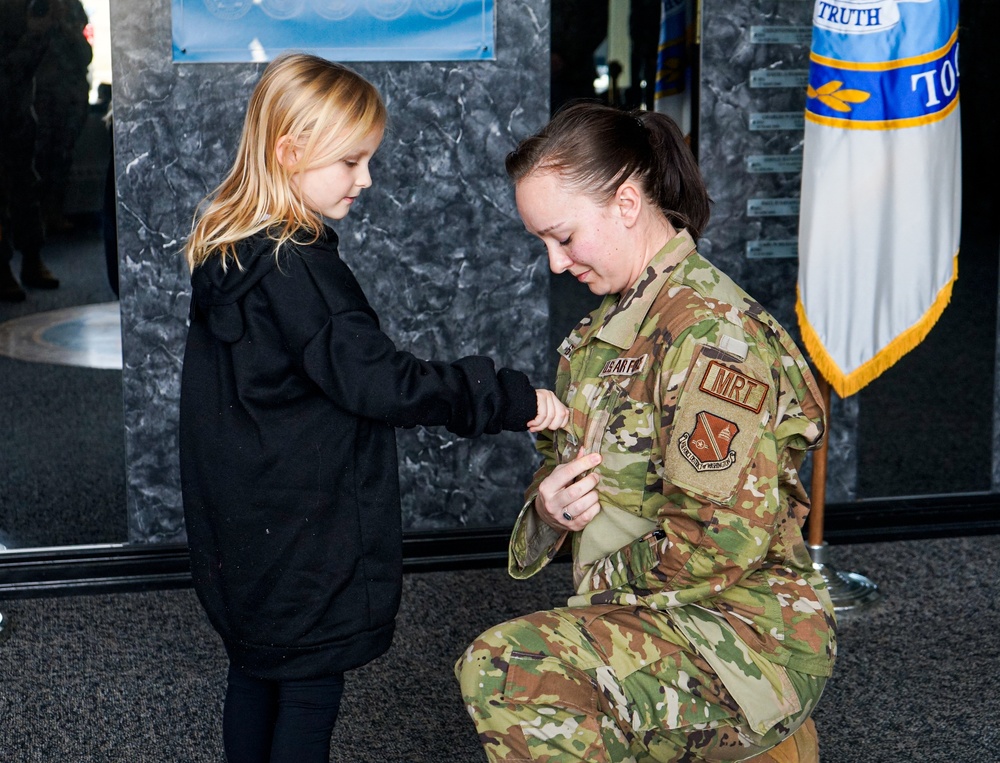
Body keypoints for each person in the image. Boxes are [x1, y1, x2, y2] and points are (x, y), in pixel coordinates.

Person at [178, 53, 568, 763]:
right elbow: (386, 382)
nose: (366, 179)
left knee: (258, 671)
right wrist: (510, 397)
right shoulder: (301, 272)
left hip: (243, 527)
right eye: (351, 161)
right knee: (308, 689)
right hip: (303, 533)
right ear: (289, 152)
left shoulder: (230, 252)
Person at [455, 102, 835, 763]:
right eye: (541, 241)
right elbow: (562, 477)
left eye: (563, 236)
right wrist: (548, 510)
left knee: (507, 668)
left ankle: (766, 740)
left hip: (742, 634)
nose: (553, 262)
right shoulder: (593, 341)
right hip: (652, 615)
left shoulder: (714, 339)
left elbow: (718, 543)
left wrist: (598, 600)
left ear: (627, 202)